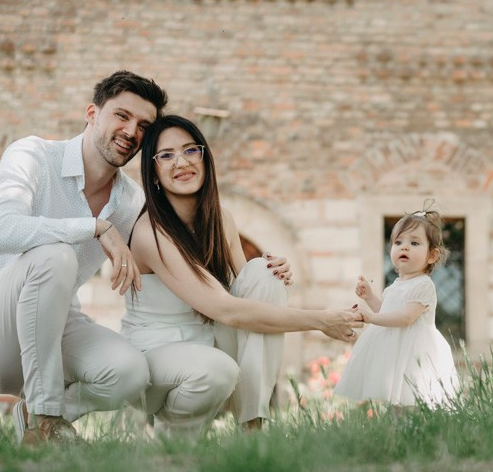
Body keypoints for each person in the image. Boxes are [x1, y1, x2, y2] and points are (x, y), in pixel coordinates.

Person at [0, 70, 169, 445]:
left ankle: (43, 413)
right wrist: (94, 226)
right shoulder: (32, 155)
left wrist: (247, 270)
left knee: (130, 372)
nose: (132, 131)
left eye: (144, 125)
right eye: (122, 116)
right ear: (92, 113)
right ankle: (46, 419)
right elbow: (1, 231)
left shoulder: (131, 201)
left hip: (52, 331)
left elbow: (168, 257)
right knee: (56, 256)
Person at [122, 115, 362, 436]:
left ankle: (252, 424)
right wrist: (322, 320)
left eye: (191, 151)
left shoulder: (221, 219)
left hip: (208, 344)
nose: (181, 162)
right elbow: (228, 311)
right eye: (166, 155)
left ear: (205, 159)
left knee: (263, 273)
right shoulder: (150, 232)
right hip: (157, 360)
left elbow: (248, 291)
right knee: (217, 370)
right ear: (153, 173)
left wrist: (273, 274)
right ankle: (176, 432)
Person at [334, 206, 460, 407]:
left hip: (415, 351)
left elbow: (404, 318)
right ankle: (395, 434)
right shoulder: (396, 285)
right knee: (395, 402)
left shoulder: (423, 285)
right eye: (398, 242)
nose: (404, 247)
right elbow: (387, 313)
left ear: (432, 256)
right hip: (396, 348)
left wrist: (370, 318)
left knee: (413, 399)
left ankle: (413, 433)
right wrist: (370, 298)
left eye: (414, 243)